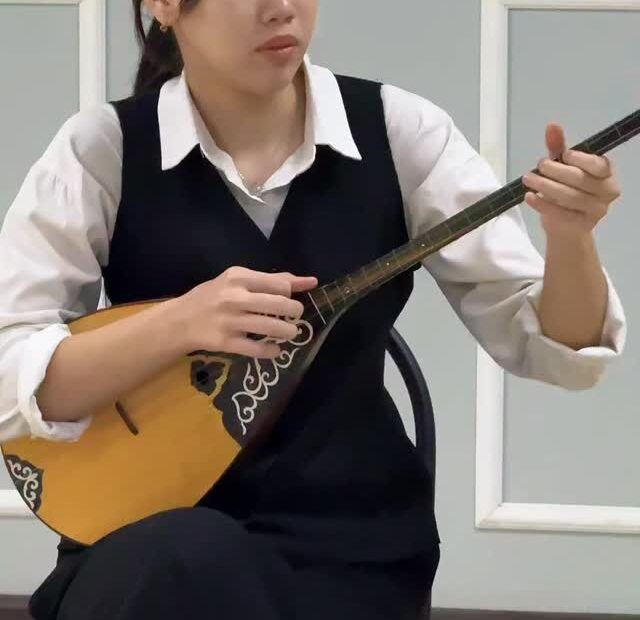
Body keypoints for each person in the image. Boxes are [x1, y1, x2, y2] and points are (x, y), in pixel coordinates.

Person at [0, 0, 627, 618]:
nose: (282, 9)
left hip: (348, 549)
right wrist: (178, 323)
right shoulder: (102, 149)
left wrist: (570, 238)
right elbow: (8, 375)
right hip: (142, 537)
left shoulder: (398, 130)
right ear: (165, 4)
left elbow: (556, 350)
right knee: (179, 562)